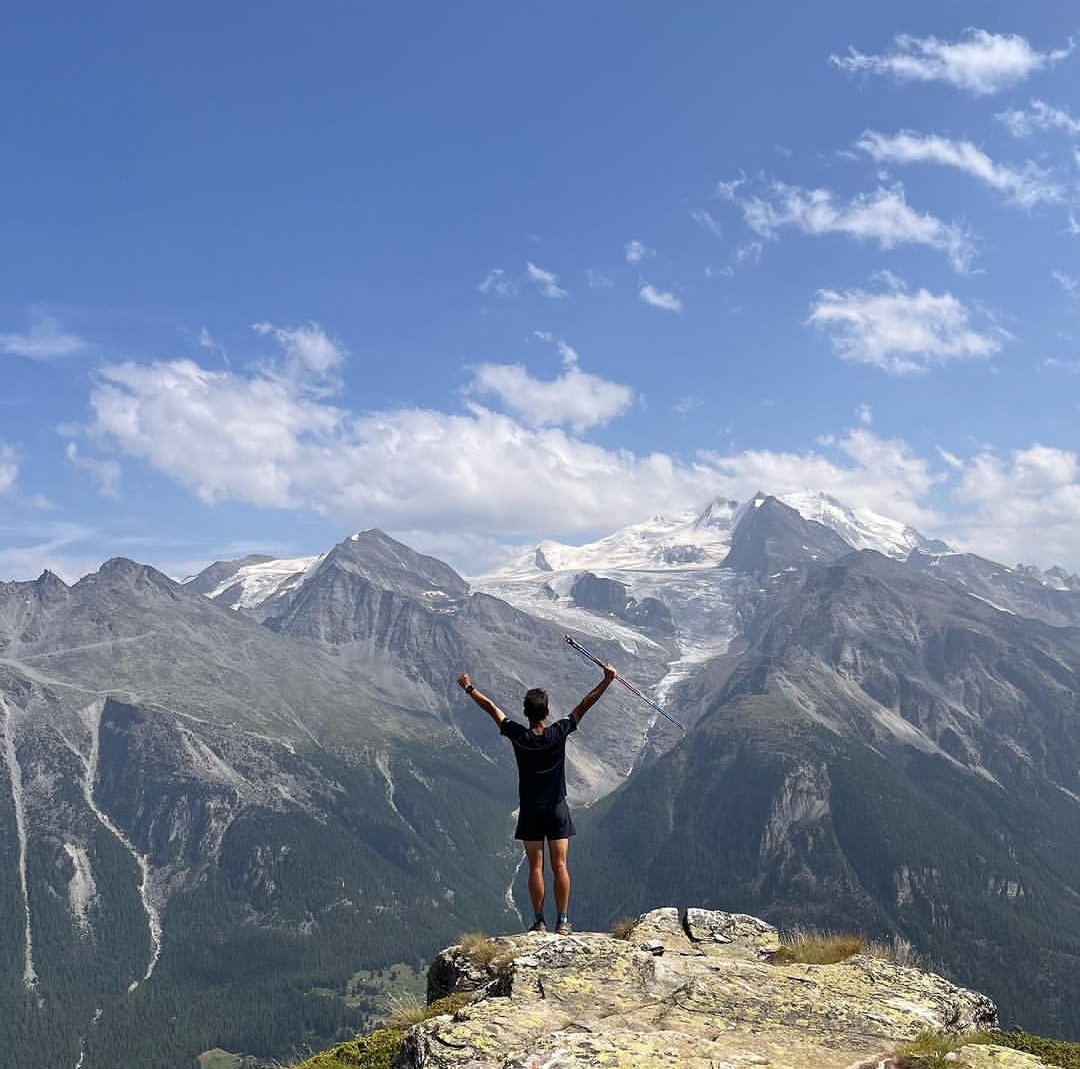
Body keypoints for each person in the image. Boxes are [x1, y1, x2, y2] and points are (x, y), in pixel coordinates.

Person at [456, 662, 617, 935]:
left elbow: (492, 709)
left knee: (535, 867)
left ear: (525, 713)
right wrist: (607, 680)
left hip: (531, 809)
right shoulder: (558, 733)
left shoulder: (519, 736)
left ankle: (539, 921)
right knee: (561, 865)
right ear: (547, 711)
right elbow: (583, 706)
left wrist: (468, 687)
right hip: (557, 807)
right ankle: (563, 921)